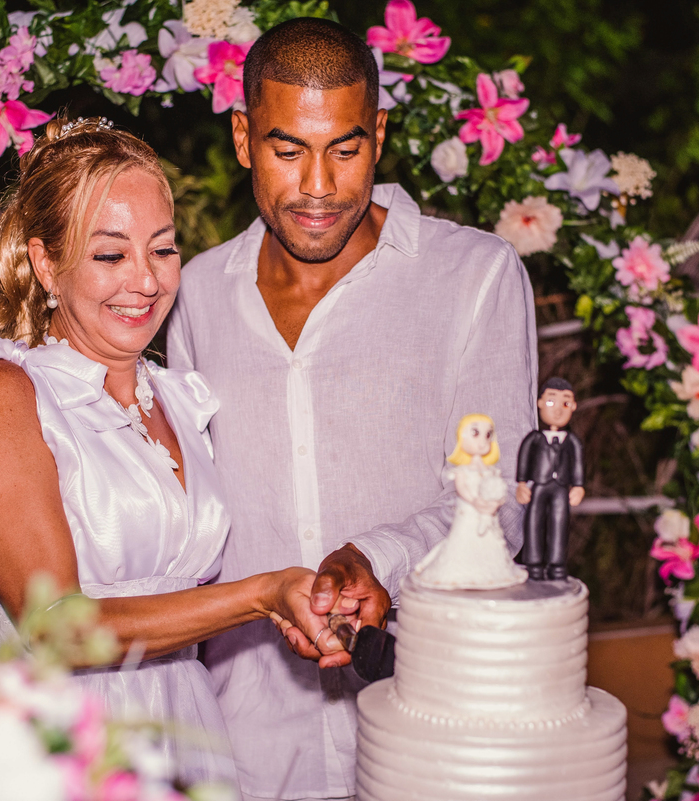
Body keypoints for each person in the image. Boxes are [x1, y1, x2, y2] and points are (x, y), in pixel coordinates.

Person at [166, 18, 539, 800]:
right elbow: (189, 517)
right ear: (242, 139)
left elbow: (502, 502)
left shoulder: (474, 275)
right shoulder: (195, 292)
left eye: (344, 148)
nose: (318, 187)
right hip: (249, 741)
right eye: (287, 149)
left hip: (432, 728)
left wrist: (379, 559)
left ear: (378, 134)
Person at [0, 118, 338, 788]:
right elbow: (55, 627)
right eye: (110, 255)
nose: (145, 281)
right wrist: (262, 594)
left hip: (181, 734)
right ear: (45, 263)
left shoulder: (178, 398)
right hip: (45, 747)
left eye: (163, 250)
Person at [414, 415, 526, 590]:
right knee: (464, 542)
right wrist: (477, 502)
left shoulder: (489, 470)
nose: (482, 441)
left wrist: (495, 502)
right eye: (475, 433)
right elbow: (464, 492)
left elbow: (498, 489)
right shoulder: (463, 472)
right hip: (469, 514)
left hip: (487, 515)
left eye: (487, 435)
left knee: (488, 545)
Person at [514, 377, 585, 581]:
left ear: (573, 406)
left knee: (559, 524)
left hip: (561, 487)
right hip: (539, 485)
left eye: (565, 403)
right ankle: (533, 563)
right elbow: (524, 459)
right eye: (551, 402)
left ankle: (557, 563)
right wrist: (521, 483)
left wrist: (578, 486)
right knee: (534, 522)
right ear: (540, 403)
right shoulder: (533, 439)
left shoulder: (572, 442)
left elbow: (578, 463)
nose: (558, 410)